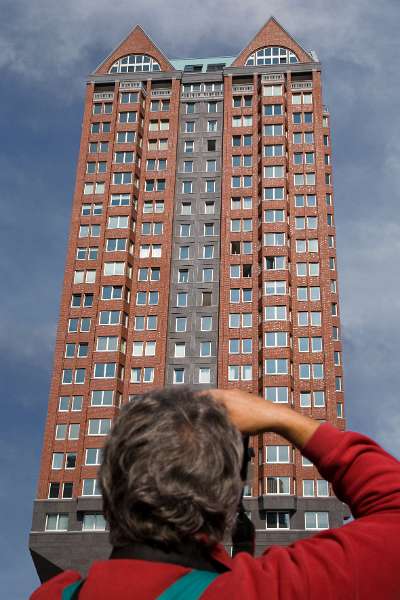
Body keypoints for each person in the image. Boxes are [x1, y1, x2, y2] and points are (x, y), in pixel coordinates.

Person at [31, 387, 400, 599]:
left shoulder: (53, 595)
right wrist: (285, 418)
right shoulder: (259, 590)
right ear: (227, 496)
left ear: (109, 488)